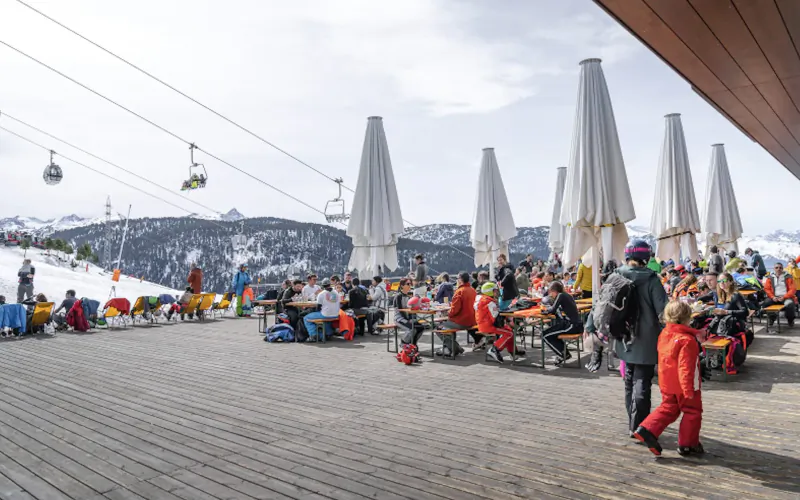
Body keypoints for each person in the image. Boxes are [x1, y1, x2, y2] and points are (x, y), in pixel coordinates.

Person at [586, 239, 668, 436]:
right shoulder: (652, 280)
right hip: (647, 340)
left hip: (622, 337)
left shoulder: (615, 276)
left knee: (629, 380)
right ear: (646, 258)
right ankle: (639, 426)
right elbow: (664, 313)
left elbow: (600, 304)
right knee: (643, 382)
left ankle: (632, 423)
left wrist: (590, 326)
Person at [633, 300, 704, 457]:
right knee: (692, 412)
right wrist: (688, 390)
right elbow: (686, 368)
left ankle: (647, 429)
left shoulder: (664, 334)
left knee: (669, 408)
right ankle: (687, 444)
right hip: (683, 384)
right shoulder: (687, 340)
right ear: (687, 318)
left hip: (666, 381)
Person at [474, 282, 520, 363]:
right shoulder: (489, 302)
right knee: (509, 334)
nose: (497, 292)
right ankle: (495, 349)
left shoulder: (483, 300)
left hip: (484, 324)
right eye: (495, 291)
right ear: (489, 291)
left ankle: (513, 351)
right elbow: (495, 318)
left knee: (509, 330)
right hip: (489, 326)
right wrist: (506, 316)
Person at [434, 272, 477, 357]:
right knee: (448, 326)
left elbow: (454, 310)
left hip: (461, 321)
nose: (457, 280)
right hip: (472, 320)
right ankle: (451, 348)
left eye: (457, 278)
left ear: (460, 280)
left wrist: (447, 314)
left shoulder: (459, 291)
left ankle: (455, 348)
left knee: (438, 328)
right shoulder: (473, 290)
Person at [541, 281, 583, 366]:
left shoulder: (561, 295)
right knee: (552, 333)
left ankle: (562, 354)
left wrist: (545, 311)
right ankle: (564, 353)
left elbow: (552, 309)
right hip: (576, 325)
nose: (550, 295)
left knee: (544, 335)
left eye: (550, 292)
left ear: (554, 291)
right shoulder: (567, 295)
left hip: (571, 326)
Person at [762, 262, 797, 327]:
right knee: (766, 302)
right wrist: (772, 297)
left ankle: (790, 320)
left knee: (790, 304)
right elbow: (767, 289)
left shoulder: (788, 277)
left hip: (786, 297)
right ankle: (772, 318)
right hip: (774, 297)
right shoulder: (770, 277)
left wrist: (784, 297)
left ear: (782, 269)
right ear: (774, 269)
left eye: (780, 268)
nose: (778, 269)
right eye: (776, 268)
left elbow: (793, 289)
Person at [394, 278, 425, 346]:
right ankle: (404, 342)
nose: (410, 285)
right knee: (411, 329)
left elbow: (411, 309)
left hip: (407, 318)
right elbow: (400, 310)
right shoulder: (398, 296)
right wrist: (409, 319)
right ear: (402, 286)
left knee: (421, 327)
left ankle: (413, 344)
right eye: (408, 284)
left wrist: (412, 318)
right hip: (399, 318)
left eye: (410, 284)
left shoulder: (409, 296)